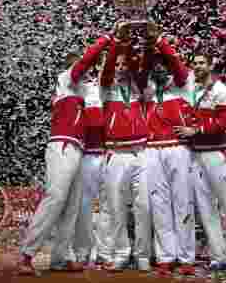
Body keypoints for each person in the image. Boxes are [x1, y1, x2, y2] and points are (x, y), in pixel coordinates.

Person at [17, 29, 118, 276]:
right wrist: (105, 39)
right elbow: (85, 63)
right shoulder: (66, 80)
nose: (86, 72)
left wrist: (115, 46)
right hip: (62, 144)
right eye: (82, 67)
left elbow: (106, 76)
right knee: (56, 197)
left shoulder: (85, 91)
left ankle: (60, 258)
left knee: (71, 206)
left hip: (78, 149)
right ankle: (27, 255)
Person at [177, 54, 226, 278]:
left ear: (211, 66)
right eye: (195, 63)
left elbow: (225, 122)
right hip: (196, 155)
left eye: (202, 63)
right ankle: (219, 256)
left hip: (216, 154)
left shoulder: (222, 90)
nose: (198, 66)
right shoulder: (190, 90)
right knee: (205, 209)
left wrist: (198, 130)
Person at [141, 24, 197, 277]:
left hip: (178, 149)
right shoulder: (149, 87)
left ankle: (186, 256)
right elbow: (139, 66)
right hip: (152, 150)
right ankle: (166, 255)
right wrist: (145, 44)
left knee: (182, 202)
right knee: (159, 204)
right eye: (157, 64)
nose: (160, 67)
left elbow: (176, 65)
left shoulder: (184, 82)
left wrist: (160, 40)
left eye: (164, 63)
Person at [99, 23, 152, 272]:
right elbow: (108, 67)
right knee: (117, 206)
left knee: (143, 206)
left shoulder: (139, 88)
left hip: (141, 153)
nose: (120, 68)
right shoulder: (105, 89)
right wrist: (117, 40)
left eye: (124, 65)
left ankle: (143, 254)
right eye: (117, 65)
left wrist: (133, 38)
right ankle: (121, 251)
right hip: (116, 154)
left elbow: (138, 65)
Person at [74, 48, 111, 266]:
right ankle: (82, 251)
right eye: (101, 64)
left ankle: (106, 252)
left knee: (109, 207)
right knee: (85, 205)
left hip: (109, 154)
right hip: (87, 154)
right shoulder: (81, 89)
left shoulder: (115, 89)